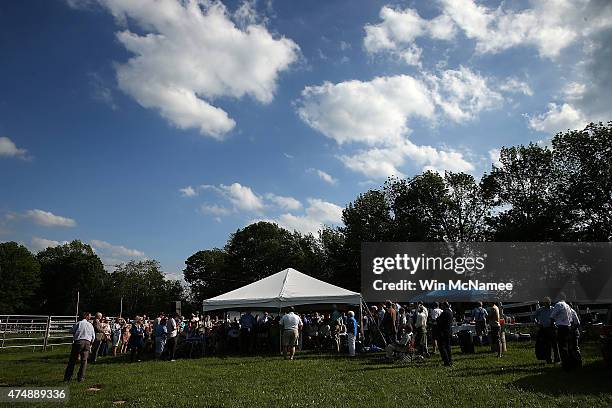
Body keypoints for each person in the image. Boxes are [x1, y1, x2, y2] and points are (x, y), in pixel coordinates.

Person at [64, 312, 95, 382]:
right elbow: (93, 336)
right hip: (87, 342)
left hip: (79, 342)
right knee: (84, 361)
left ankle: (68, 377)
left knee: (72, 360)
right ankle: (81, 378)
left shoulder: (79, 323)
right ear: (86, 316)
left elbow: (71, 331)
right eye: (89, 316)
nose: (90, 317)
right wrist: (90, 343)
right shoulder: (90, 325)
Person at [534, 297, 560, 363]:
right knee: (547, 345)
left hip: (552, 328)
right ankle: (549, 359)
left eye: (548, 302)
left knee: (554, 344)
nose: (547, 304)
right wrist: (537, 323)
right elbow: (533, 317)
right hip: (544, 328)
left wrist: (556, 323)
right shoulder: (540, 310)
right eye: (545, 302)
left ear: (550, 302)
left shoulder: (553, 309)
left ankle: (557, 358)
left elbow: (558, 317)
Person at [436, 302, 453, 367]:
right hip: (448, 331)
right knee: (448, 346)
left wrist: (437, 319)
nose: (441, 306)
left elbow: (439, 321)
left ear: (444, 305)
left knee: (442, 347)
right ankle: (450, 360)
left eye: (442, 305)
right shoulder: (450, 312)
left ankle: (446, 361)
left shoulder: (444, 313)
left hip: (443, 331)